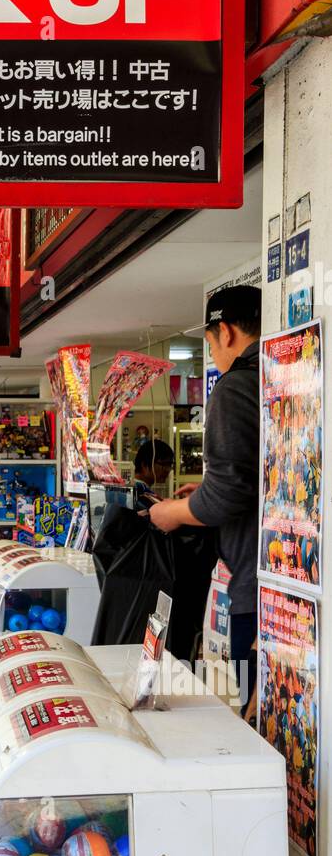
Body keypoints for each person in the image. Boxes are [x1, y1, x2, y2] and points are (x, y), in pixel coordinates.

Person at [149, 285, 262, 719]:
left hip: (256, 588)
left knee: (260, 721)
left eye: (211, 340)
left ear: (227, 333)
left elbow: (227, 496)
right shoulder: (282, 376)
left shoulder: (234, 388)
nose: (213, 351)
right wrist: (204, 493)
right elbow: (250, 481)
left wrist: (171, 513)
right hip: (285, 583)